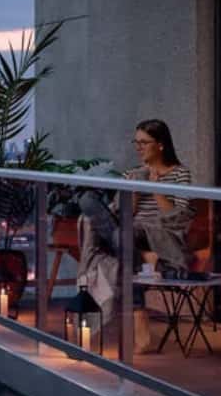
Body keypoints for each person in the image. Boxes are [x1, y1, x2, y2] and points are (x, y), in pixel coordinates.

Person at [72, 119, 197, 351]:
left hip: (158, 234)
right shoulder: (132, 173)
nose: (138, 148)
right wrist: (134, 194)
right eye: (136, 142)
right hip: (130, 232)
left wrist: (155, 188)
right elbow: (121, 213)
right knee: (89, 201)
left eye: (144, 143)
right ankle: (143, 263)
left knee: (120, 239)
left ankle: (138, 306)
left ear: (160, 145)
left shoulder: (180, 174)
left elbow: (178, 217)